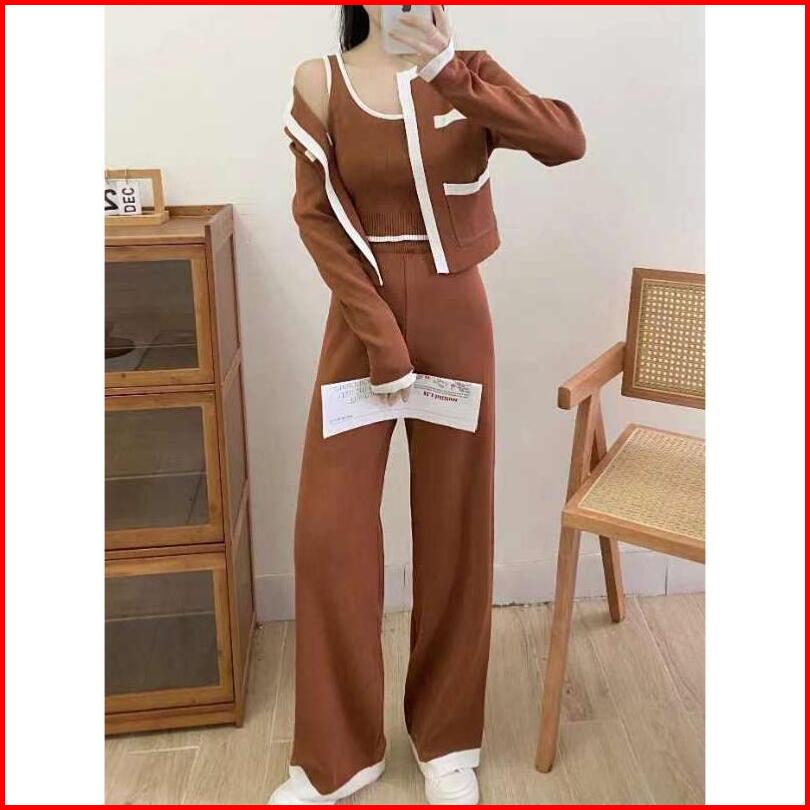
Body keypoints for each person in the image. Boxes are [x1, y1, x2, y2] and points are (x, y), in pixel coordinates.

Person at [270, 5, 586, 804]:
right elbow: (315, 216)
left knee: (455, 525)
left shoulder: (470, 72)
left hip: (457, 320)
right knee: (328, 533)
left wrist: (450, 73)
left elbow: (565, 140)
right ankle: (337, 754)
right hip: (360, 320)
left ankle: (447, 740)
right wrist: (381, 337)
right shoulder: (320, 81)